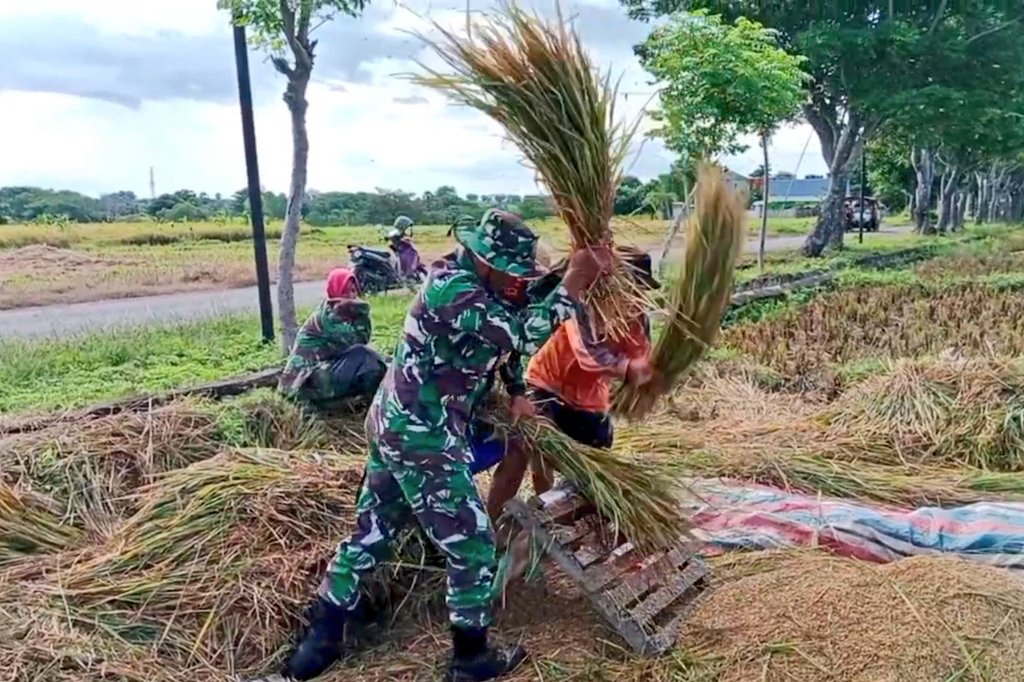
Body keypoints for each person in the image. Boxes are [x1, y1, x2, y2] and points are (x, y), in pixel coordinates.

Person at [281, 209, 608, 682]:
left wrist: (516, 389)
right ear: (483, 258)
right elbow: (521, 332)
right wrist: (574, 283)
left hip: (407, 427)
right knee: (474, 544)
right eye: (512, 272)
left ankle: (318, 646)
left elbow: (506, 343)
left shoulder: (491, 289)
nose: (519, 281)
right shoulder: (449, 288)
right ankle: (470, 660)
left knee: (373, 531)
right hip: (421, 432)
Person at [483, 246, 659, 519]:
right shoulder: (580, 306)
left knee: (595, 470)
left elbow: (641, 361)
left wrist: (646, 376)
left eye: (640, 290)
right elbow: (587, 355)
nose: (636, 298)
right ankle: (500, 528)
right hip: (546, 385)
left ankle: (572, 520)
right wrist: (627, 368)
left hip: (590, 399)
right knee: (531, 453)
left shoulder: (638, 319)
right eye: (631, 288)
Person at [277, 267, 387, 407]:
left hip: (317, 373)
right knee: (364, 356)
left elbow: (364, 336)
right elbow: (357, 343)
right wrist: (361, 309)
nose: (351, 296)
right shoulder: (329, 316)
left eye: (353, 291)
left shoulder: (343, 313)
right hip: (302, 384)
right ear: (335, 292)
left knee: (370, 363)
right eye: (345, 292)